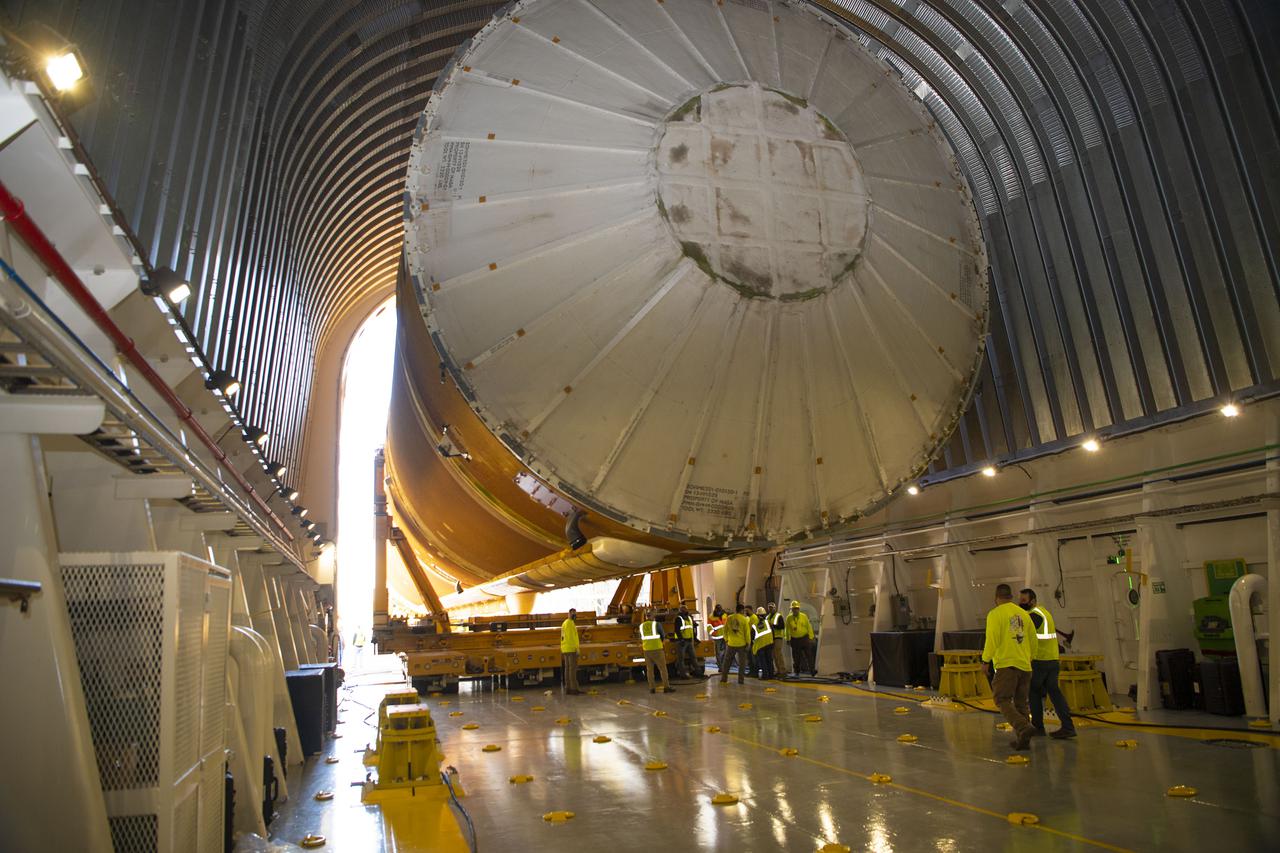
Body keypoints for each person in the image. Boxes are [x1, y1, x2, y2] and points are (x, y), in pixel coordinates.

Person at [982, 583, 1034, 750]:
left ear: (996, 598)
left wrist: (985, 660)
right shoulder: (1024, 614)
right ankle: (1023, 741)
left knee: (1001, 699)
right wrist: (1029, 658)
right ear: (1011, 597)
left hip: (1007, 665)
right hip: (1025, 665)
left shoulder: (995, 614)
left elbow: (992, 639)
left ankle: (1023, 727)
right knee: (1021, 703)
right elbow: (1033, 640)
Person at [1019, 589, 1076, 739]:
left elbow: (1022, 635)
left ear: (1032, 600)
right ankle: (1068, 727)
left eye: (1024, 601)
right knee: (1055, 693)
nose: (1020, 603)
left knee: (1034, 692)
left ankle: (1037, 727)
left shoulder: (1033, 616)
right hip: (1053, 661)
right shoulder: (1044, 612)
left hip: (1040, 661)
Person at [639, 613, 674, 693]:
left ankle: (652, 688)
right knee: (662, 668)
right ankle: (666, 687)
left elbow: (641, 637)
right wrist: (662, 642)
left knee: (649, 670)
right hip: (657, 649)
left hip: (647, 649)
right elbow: (662, 635)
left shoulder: (641, 626)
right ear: (652, 617)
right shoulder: (656, 624)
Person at [719, 604, 751, 684]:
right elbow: (747, 633)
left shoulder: (729, 618)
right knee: (742, 663)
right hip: (741, 644)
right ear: (742, 610)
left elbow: (725, 630)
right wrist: (748, 643)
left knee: (727, 662)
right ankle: (741, 680)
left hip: (731, 644)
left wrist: (726, 640)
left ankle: (724, 678)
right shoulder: (744, 619)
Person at [785, 601, 816, 675]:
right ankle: (797, 671)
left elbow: (808, 627)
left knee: (809, 655)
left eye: (797, 608)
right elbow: (787, 629)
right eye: (794, 608)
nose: (795, 610)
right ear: (791, 609)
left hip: (804, 638)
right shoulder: (789, 618)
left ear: (799, 609)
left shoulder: (803, 616)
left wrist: (811, 637)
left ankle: (812, 671)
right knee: (796, 657)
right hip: (794, 640)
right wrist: (788, 639)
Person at [674, 605, 701, 679]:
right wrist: (681, 639)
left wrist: (695, 638)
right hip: (681, 642)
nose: (686, 611)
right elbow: (677, 630)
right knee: (681, 659)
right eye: (684, 610)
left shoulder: (689, 618)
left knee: (693, 657)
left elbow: (692, 629)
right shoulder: (678, 618)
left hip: (689, 641)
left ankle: (698, 672)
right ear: (681, 611)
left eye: (686, 609)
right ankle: (683, 674)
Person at [560, 608, 582, 695]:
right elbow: (571, 637)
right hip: (571, 649)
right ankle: (573, 689)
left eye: (575, 614)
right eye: (573, 614)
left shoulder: (565, 623)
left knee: (567, 669)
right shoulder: (570, 623)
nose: (574, 615)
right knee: (572, 669)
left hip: (565, 648)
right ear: (568, 614)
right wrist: (576, 648)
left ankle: (568, 688)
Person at [751, 606, 775, 680]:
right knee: (769, 660)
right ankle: (771, 675)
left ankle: (765, 676)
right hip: (769, 643)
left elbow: (752, 637)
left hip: (760, 645)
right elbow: (773, 633)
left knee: (763, 661)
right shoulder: (769, 623)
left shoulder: (754, 625)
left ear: (757, 615)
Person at [766, 602, 787, 676]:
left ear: (775, 608)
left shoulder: (778, 616)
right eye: (769, 608)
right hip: (771, 638)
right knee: (774, 655)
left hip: (778, 637)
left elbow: (782, 626)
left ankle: (782, 670)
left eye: (772, 608)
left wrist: (773, 625)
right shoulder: (767, 617)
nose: (770, 609)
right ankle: (778, 670)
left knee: (778, 653)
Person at [707, 605, 727, 672]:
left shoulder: (724, 615)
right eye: (718, 610)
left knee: (725, 652)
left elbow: (727, 624)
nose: (719, 612)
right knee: (718, 653)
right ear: (715, 610)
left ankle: (724, 666)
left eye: (720, 610)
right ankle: (720, 667)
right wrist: (713, 633)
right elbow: (709, 626)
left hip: (725, 636)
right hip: (717, 637)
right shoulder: (711, 616)